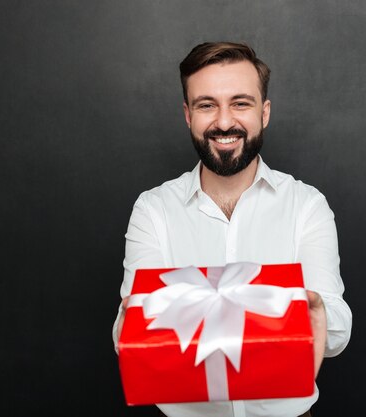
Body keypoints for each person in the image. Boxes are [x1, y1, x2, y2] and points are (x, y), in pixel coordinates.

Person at [113, 41, 352, 417]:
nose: (224, 122)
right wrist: (273, 315)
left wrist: (313, 309)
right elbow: (129, 336)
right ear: (188, 115)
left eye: (240, 103)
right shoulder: (153, 209)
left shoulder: (306, 205)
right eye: (207, 105)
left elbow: (335, 334)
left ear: (265, 112)